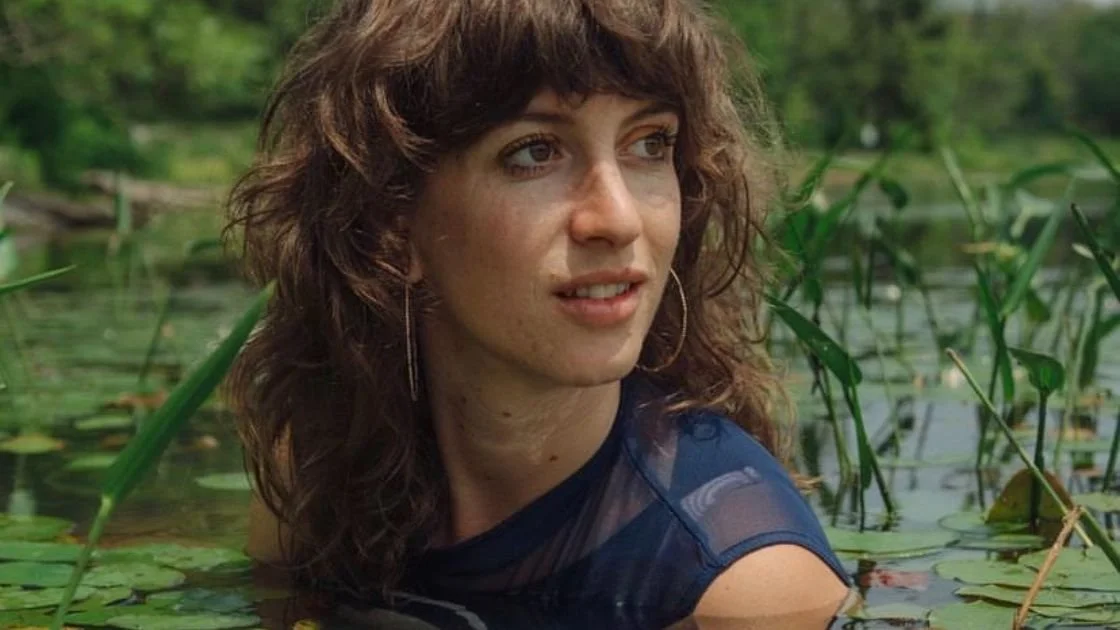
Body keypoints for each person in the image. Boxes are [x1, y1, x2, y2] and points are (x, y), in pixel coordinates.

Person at [225, 0, 854, 627]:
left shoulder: (743, 591)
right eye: (534, 152)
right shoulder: (318, 475)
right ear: (391, 222)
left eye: (650, 143)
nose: (618, 219)